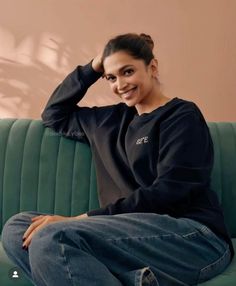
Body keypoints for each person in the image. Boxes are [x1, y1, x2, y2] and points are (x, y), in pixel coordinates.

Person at [2, 33, 234, 286]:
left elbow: (171, 191)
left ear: (152, 67)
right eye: (111, 77)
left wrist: (79, 220)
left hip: (192, 238)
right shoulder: (107, 121)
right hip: (125, 239)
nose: (120, 84)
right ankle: (134, 280)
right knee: (18, 229)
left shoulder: (181, 115)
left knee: (50, 237)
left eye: (128, 71)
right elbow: (54, 114)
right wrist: (94, 66)